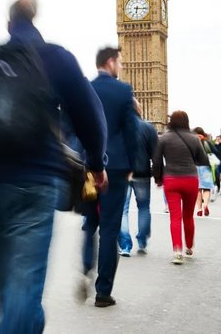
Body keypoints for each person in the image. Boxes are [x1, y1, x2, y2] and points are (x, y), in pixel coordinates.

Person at [0, 0, 107, 333]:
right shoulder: (56, 57)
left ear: (8, 24)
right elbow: (90, 115)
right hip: (37, 179)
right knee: (24, 286)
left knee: (12, 287)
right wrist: (96, 162)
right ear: (36, 19)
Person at [83, 46, 139, 308]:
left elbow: (74, 125)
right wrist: (133, 165)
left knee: (89, 222)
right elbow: (132, 131)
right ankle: (102, 292)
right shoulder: (123, 91)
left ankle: (84, 267)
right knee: (109, 230)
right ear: (110, 62)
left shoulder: (85, 88)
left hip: (88, 167)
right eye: (120, 62)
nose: (121, 66)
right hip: (115, 168)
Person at [153, 111, 209, 264]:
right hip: (190, 179)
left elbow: (156, 160)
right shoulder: (194, 138)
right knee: (188, 216)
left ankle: (177, 252)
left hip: (171, 180)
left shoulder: (164, 138)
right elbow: (203, 160)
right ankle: (189, 248)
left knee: (175, 217)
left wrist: (158, 178)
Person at [118, 99, 158, 256]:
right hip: (142, 174)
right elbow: (155, 153)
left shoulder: (119, 127)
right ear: (139, 109)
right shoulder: (148, 127)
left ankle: (125, 245)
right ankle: (142, 240)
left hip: (122, 173)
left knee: (122, 210)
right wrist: (158, 175)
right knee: (143, 208)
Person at [192, 127, 220, 216]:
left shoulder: (192, 142)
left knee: (198, 189)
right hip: (207, 168)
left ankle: (199, 209)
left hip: (194, 168)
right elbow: (217, 153)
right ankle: (205, 205)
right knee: (207, 188)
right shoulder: (207, 142)